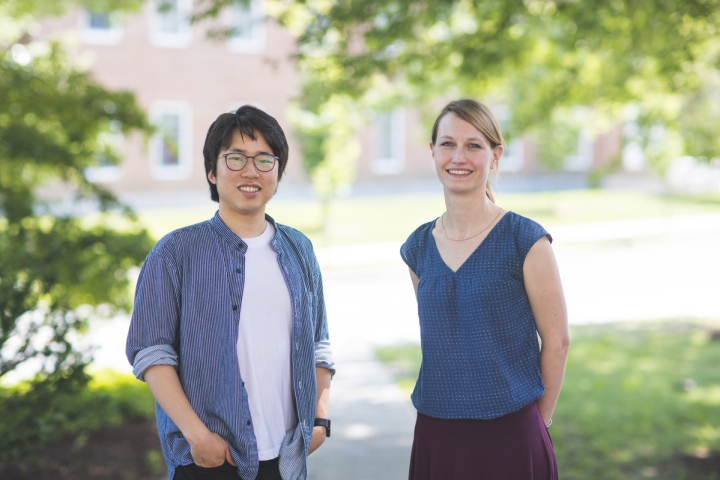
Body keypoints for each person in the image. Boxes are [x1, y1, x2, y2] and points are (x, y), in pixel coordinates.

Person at [126, 105, 334, 480]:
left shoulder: (299, 249)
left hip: (287, 458)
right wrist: (197, 435)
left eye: (264, 160)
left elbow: (319, 344)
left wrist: (319, 421)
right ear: (212, 170)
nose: (250, 172)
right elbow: (151, 352)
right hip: (210, 458)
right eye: (235, 158)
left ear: (278, 171)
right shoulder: (176, 253)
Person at [400, 99, 570, 479]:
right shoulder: (417, 248)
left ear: (495, 155)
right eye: (447, 144)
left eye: (473, 145)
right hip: (436, 430)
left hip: (511, 433)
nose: (458, 156)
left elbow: (557, 341)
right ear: (432, 152)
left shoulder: (524, 240)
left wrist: (535, 425)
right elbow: (445, 339)